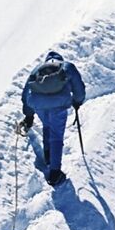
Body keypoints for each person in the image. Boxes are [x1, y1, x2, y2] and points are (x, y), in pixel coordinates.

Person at [20, 51, 86, 186]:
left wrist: (29, 115)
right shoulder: (67, 66)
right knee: (56, 136)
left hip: (38, 103)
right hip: (59, 104)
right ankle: (55, 173)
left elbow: (26, 92)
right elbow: (79, 88)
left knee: (47, 126)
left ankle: (48, 156)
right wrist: (77, 101)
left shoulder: (37, 69)